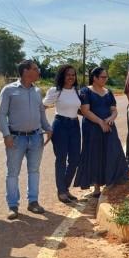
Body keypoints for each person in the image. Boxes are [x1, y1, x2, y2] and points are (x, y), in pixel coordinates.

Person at [0, 60, 52, 220]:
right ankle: (13, 206)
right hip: (16, 138)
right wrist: (6, 134)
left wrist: (48, 128)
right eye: (35, 69)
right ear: (26, 71)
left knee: (34, 171)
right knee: (13, 173)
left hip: (36, 137)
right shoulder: (9, 90)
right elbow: (1, 114)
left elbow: (41, 112)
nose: (38, 71)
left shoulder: (36, 91)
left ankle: (33, 202)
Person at [74, 67, 129, 196]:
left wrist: (111, 118)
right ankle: (96, 187)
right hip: (93, 128)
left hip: (109, 127)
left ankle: (111, 181)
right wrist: (100, 122)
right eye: (103, 77)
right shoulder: (85, 91)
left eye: (106, 77)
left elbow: (114, 110)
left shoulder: (108, 92)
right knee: (95, 155)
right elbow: (85, 111)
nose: (105, 79)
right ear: (95, 78)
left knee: (111, 151)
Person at [43, 64, 81, 204]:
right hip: (60, 125)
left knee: (75, 160)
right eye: (68, 74)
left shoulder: (77, 91)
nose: (71, 77)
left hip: (75, 125)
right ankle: (62, 191)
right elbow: (43, 107)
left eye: (73, 74)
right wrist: (44, 126)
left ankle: (64, 187)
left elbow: (80, 109)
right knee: (61, 159)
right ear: (62, 76)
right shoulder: (55, 91)